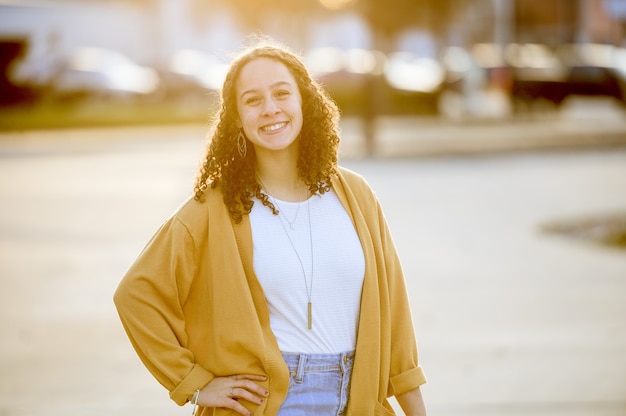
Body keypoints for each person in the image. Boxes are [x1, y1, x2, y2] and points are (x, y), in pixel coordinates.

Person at [113, 36, 427, 416]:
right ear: (236, 118)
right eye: (252, 100)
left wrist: (416, 409)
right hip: (268, 405)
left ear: (304, 102)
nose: (270, 109)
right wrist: (194, 383)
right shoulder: (213, 207)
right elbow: (137, 294)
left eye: (281, 93)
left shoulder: (355, 195)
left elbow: (395, 317)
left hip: (358, 398)